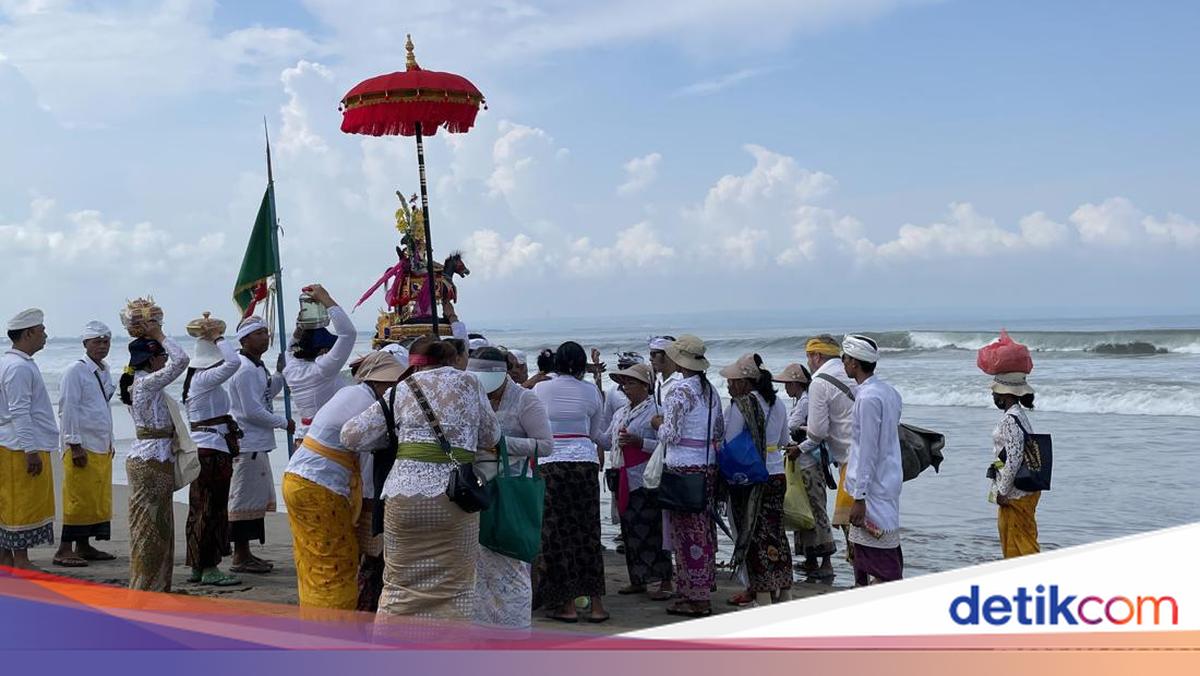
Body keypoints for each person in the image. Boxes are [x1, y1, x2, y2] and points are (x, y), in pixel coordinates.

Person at [341, 337, 499, 620]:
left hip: (404, 496)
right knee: (457, 587)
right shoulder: (471, 383)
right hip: (456, 498)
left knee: (398, 586)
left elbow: (351, 436)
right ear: (453, 360)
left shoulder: (402, 389)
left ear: (413, 365)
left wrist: (396, 435)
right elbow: (491, 436)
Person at [284, 351, 405, 609]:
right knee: (336, 563)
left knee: (313, 560)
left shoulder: (352, 394)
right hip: (320, 486)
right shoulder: (368, 406)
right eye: (392, 384)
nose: (395, 390)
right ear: (378, 382)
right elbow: (367, 465)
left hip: (300, 478)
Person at [468, 347, 553, 631]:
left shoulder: (526, 400)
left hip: (511, 488)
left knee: (511, 561)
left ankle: (514, 630)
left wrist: (501, 444)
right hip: (478, 487)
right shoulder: (473, 396)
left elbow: (545, 445)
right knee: (478, 564)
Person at [532, 341, 611, 623]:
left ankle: (566, 604)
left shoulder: (540, 389)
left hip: (551, 463)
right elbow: (595, 434)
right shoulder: (591, 391)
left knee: (555, 534)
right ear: (581, 365)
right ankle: (597, 605)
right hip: (584, 464)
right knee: (588, 532)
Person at [651, 335, 723, 618]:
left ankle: (694, 596)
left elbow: (671, 434)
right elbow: (717, 431)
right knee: (703, 532)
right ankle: (698, 588)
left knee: (685, 534)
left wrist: (657, 423)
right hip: (707, 466)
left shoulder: (679, 392)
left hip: (682, 468)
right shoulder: (710, 391)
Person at [119, 319, 190, 591]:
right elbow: (181, 360)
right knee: (150, 531)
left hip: (153, 459)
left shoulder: (140, 383)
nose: (165, 358)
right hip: (151, 461)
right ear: (151, 360)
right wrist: (159, 333)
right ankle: (147, 589)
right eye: (161, 355)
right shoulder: (146, 384)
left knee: (159, 527)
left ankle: (157, 587)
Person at [721, 353, 793, 607]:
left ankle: (763, 597)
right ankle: (784, 592)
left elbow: (729, 442)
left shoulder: (741, 405)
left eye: (732, 380)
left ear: (744, 382)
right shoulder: (778, 403)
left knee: (752, 536)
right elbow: (785, 441)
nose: (729, 384)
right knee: (776, 535)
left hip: (751, 479)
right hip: (777, 475)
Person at [228, 316, 293, 574]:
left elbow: (266, 394)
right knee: (243, 499)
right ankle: (240, 556)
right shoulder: (243, 369)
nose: (266, 337)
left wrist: (279, 374)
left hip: (257, 443)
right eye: (259, 334)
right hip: (247, 442)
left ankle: (245, 554)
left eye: (266, 333)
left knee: (253, 498)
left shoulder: (256, 367)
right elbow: (252, 410)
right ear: (245, 340)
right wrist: (282, 422)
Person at [182, 317, 242, 586]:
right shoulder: (204, 378)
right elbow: (234, 362)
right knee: (212, 509)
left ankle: (199, 564)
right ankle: (208, 566)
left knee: (200, 508)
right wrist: (218, 337)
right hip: (211, 449)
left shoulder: (198, 380)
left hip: (204, 448)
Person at [606, 363, 673, 601]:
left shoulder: (657, 411)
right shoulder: (620, 412)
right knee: (629, 529)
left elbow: (667, 445)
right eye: (623, 383)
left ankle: (665, 579)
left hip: (647, 477)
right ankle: (638, 578)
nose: (625, 387)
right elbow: (606, 440)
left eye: (631, 382)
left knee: (654, 528)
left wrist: (640, 443)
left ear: (645, 386)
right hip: (622, 474)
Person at [840, 335, 903, 586]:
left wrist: (860, 497)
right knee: (869, 555)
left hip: (871, 487)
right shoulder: (889, 392)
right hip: (886, 480)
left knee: (880, 560)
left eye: (845, 359)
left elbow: (868, 450)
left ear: (854, 363)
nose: (843, 363)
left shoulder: (868, 398)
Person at [53, 320, 116, 567]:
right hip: (82, 444)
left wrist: (110, 441)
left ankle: (84, 545)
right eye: (97, 342)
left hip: (101, 442)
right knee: (77, 497)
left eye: (106, 341)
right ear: (85, 344)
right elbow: (68, 408)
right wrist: (74, 443)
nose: (102, 346)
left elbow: (103, 406)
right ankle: (64, 549)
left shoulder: (104, 369)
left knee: (95, 497)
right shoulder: (74, 371)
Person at [0, 309, 57, 570]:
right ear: (29, 333)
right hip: (19, 445)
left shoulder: (12, 363)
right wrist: (30, 450)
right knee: (20, 503)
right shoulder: (18, 367)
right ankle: (20, 560)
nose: (45, 334)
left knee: (9, 501)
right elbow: (19, 411)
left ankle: (8, 558)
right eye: (42, 330)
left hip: (13, 443)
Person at [356, 342, 409, 611]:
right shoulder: (375, 403)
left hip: (376, 486)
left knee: (375, 553)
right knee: (375, 553)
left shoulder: (384, 401)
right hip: (376, 488)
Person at [792, 335, 857, 555]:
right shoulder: (852, 375)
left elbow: (817, 432)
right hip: (875, 458)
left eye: (809, 357)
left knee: (853, 526)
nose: (808, 363)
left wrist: (800, 447)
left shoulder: (819, 381)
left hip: (851, 462)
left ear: (817, 356)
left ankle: (863, 583)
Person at [776, 362, 834, 581]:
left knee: (813, 510)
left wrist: (795, 445)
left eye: (788, 384)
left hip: (808, 462)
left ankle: (824, 562)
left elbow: (791, 426)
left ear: (795, 383)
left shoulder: (805, 402)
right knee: (807, 510)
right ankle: (812, 560)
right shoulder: (804, 399)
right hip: (806, 462)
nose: (785, 388)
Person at [283, 284, 358, 445]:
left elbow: (290, 346)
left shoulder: (291, 366)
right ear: (324, 349)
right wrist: (326, 299)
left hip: (304, 435)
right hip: (324, 437)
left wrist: (302, 322)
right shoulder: (323, 369)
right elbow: (348, 334)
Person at [989, 372, 1041, 558]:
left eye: (995, 392)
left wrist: (1002, 491)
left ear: (1006, 395)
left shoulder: (1010, 420)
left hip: (1015, 494)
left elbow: (1014, 458)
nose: (993, 396)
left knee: (1020, 544)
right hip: (1022, 491)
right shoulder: (1018, 415)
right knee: (1022, 538)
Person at [648, 336, 681, 406]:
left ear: (668, 355)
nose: (650, 359)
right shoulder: (657, 379)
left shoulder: (681, 380)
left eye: (653, 354)